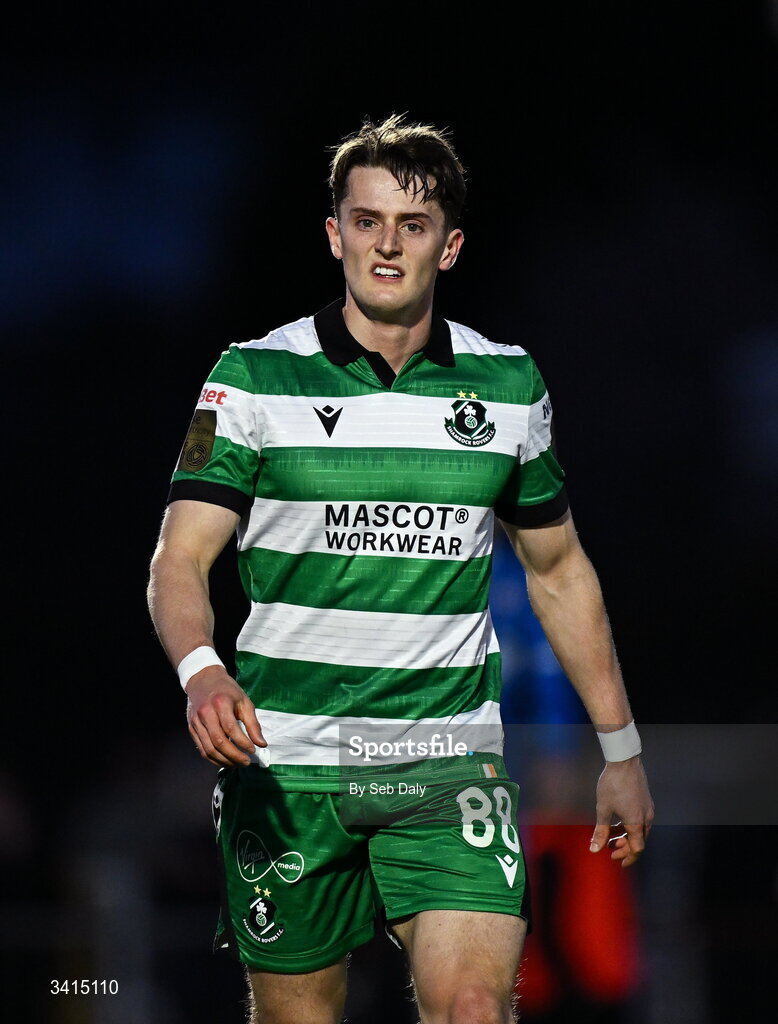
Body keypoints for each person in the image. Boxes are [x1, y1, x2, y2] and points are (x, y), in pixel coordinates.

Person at [147, 114, 654, 1024]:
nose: (387, 245)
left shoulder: (507, 386)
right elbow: (179, 558)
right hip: (289, 767)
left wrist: (619, 749)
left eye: (412, 225)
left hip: (445, 761)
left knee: (471, 1007)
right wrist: (201, 669)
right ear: (334, 234)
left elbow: (559, 571)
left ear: (449, 246)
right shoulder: (253, 376)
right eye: (367, 220)